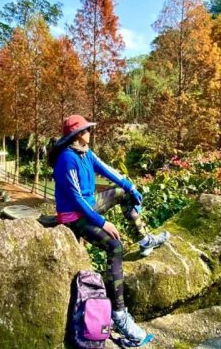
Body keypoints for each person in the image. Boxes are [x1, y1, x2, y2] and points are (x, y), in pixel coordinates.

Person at [49, 114, 169, 344]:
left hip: (89, 205)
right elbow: (76, 200)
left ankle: (144, 240)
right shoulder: (66, 159)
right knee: (114, 246)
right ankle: (119, 315)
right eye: (86, 130)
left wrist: (130, 186)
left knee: (124, 194)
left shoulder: (85, 153)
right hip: (73, 215)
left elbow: (108, 170)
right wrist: (103, 223)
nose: (90, 133)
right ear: (77, 135)